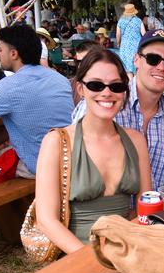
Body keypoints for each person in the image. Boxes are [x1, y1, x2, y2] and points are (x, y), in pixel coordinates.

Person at [35, 48, 151, 252]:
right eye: (96, 85)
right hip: (76, 253)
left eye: (116, 86)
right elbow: (46, 220)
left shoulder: (136, 140)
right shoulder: (56, 141)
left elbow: (146, 203)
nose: (106, 92)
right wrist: (90, 260)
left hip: (128, 249)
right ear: (80, 89)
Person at [72, 30, 164, 191]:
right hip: (107, 214)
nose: (161, 67)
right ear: (136, 60)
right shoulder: (104, 105)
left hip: (157, 214)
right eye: (153, 59)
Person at [0, 25, 73, 176]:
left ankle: (7, 199)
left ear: (13, 54)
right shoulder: (59, 79)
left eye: (0, 50)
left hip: (41, 167)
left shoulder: (7, 87)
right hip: (72, 159)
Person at [116, 3, 146, 77]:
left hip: (125, 46)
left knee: (128, 69)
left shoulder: (121, 21)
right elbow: (144, 33)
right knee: (136, 66)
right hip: (137, 46)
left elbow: (118, 35)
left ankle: (130, 84)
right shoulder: (138, 21)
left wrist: (118, 43)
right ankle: (136, 84)